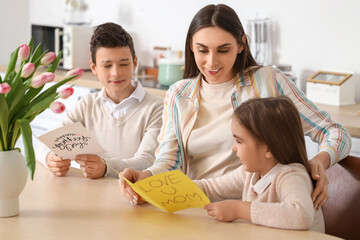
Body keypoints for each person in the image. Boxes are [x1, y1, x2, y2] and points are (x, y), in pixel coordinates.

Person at [119, 4, 351, 208]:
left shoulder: (268, 80)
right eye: (202, 50)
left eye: (223, 50)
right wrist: (146, 176)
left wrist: (321, 160)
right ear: (191, 46)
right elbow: (169, 162)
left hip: (260, 210)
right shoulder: (179, 94)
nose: (211, 62)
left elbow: (334, 131)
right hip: (195, 205)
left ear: (241, 45)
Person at [37, 22, 163, 179]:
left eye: (124, 64)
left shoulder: (157, 108)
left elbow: (148, 162)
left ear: (134, 63)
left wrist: (106, 167)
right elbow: (45, 145)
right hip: (91, 193)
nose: (116, 73)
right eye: (107, 65)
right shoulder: (87, 105)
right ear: (94, 67)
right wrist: (51, 158)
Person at [195, 96, 325, 232]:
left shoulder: (291, 176)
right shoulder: (249, 173)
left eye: (239, 141)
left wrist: (239, 209)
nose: (234, 148)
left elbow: (301, 215)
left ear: (268, 149)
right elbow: (211, 188)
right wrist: (174, 186)